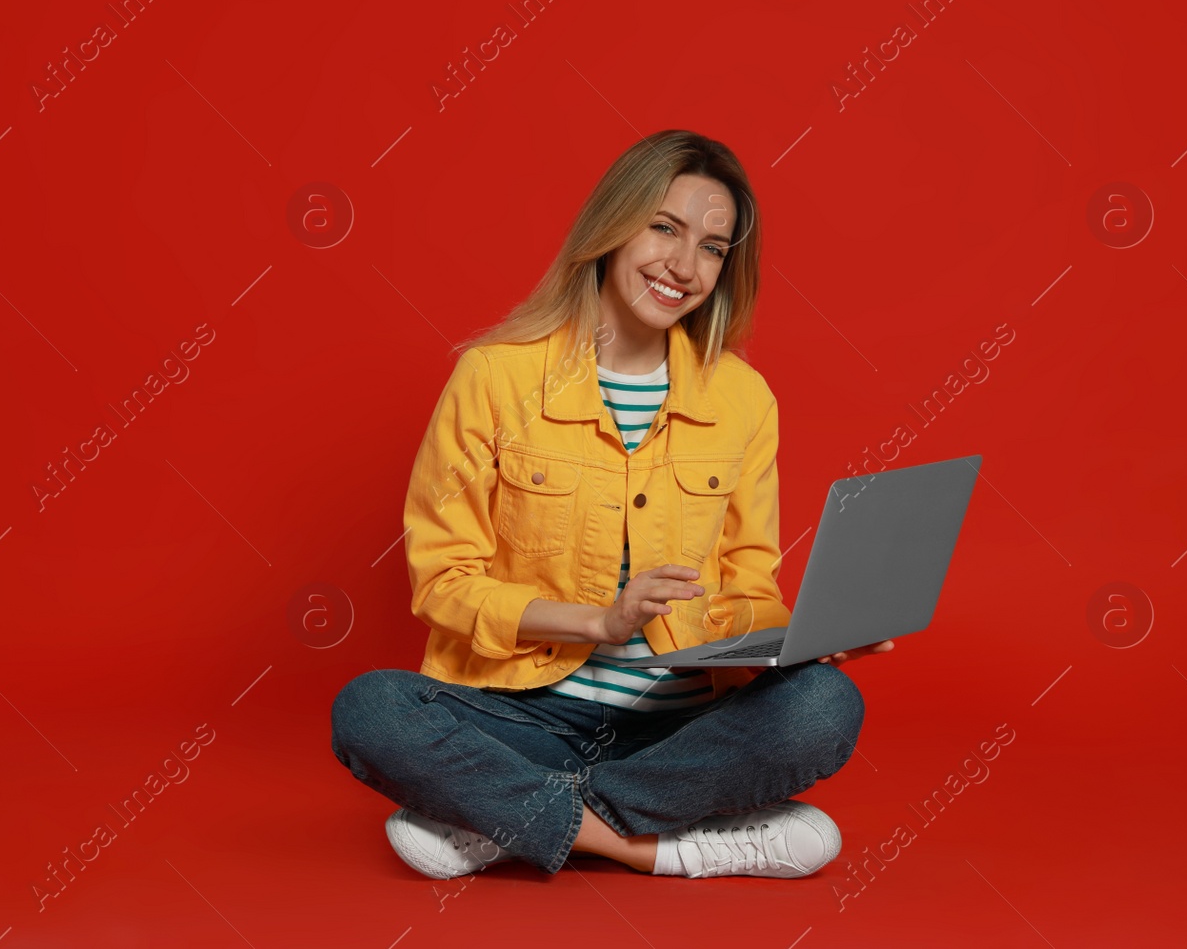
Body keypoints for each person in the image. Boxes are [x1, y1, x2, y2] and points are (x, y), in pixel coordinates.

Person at [330, 129, 892, 882]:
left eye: (713, 247)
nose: (683, 266)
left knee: (825, 704)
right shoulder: (492, 378)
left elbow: (749, 587)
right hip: (525, 716)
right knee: (371, 709)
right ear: (612, 225)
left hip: (682, 730)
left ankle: (504, 821)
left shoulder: (743, 400)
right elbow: (444, 584)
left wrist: (801, 641)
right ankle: (661, 846)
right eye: (664, 227)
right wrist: (600, 621)